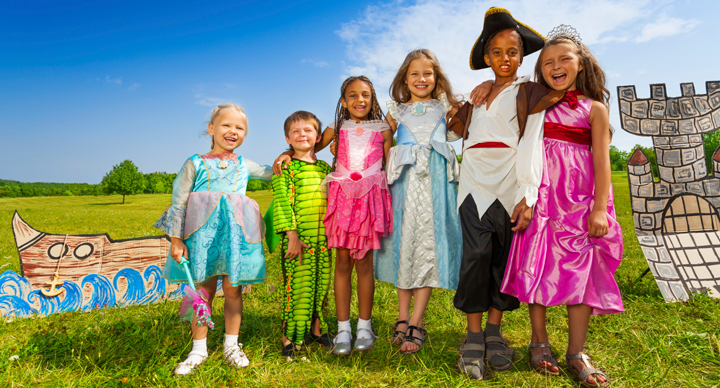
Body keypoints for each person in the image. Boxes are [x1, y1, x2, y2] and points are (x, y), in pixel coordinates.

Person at [501, 24, 623, 387]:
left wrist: (599, 208)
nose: (556, 65)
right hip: (541, 198)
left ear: (580, 64)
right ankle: (539, 341)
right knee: (536, 267)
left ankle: (576, 352)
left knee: (581, 273)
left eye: (564, 59)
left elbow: (602, 163)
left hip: (580, 201)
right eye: (548, 62)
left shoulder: (595, 109)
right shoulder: (535, 105)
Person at [448, 7, 561, 380]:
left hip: (510, 183)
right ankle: (474, 333)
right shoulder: (475, 97)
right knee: (476, 255)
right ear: (486, 57)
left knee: (503, 258)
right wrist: (467, 96)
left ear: (522, 56)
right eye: (496, 52)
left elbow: (531, 143)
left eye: (512, 51)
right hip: (473, 184)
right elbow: (450, 133)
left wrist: (527, 193)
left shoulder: (530, 93)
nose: (505, 58)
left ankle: (494, 331)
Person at [273, 76, 393, 355]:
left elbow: (390, 161)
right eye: (352, 95)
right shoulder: (336, 127)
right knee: (341, 262)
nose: (359, 100)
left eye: (365, 95)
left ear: (373, 99)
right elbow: (308, 147)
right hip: (341, 199)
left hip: (369, 198)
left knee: (364, 264)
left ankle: (364, 326)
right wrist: (285, 153)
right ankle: (342, 329)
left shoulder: (385, 127)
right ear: (343, 101)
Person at [155, 104, 272, 375]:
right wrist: (176, 240)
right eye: (226, 125)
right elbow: (179, 201)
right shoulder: (194, 163)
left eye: (240, 128)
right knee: (203, 291)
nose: (233, 131)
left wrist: (286, 158)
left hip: (234, 238)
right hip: (202, 239)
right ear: (211, 129)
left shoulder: (245, 164)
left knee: (233, 290)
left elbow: (271, 171)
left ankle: (232, 345)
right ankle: (198, 349)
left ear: (245, 134)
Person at [374, 48, 463, 355]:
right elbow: (379, 143)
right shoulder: (395, 110)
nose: (421, 79)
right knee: (404, 244)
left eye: (428, 73)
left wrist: (467, 106)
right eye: (414, 73)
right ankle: (401, 316)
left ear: (436, 77)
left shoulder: (446, 106)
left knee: (428, 245)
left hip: (435, 184)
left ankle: (417, 319)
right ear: (404, 78)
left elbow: (467, 129)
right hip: (404, 183)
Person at [271, 111, 333, 356]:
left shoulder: (325, 167)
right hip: (299, 240)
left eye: (307, 130)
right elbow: (282, 203)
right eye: (295, 131)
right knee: (297, 288)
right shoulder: (285, 167)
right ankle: (290, 337)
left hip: (323, 239)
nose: (302, 135)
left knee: (321, 285)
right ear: (288, 138)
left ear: (318, 136)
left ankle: (316, 329)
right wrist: (292, 237)